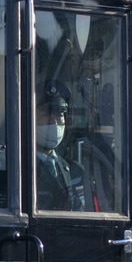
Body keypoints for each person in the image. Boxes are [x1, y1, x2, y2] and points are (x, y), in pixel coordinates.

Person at [36, 80, 86, 211]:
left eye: (60, 114)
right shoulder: (18, 169)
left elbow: (79, 212)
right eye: (47, 113)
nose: (54, 122)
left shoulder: (75, 171)